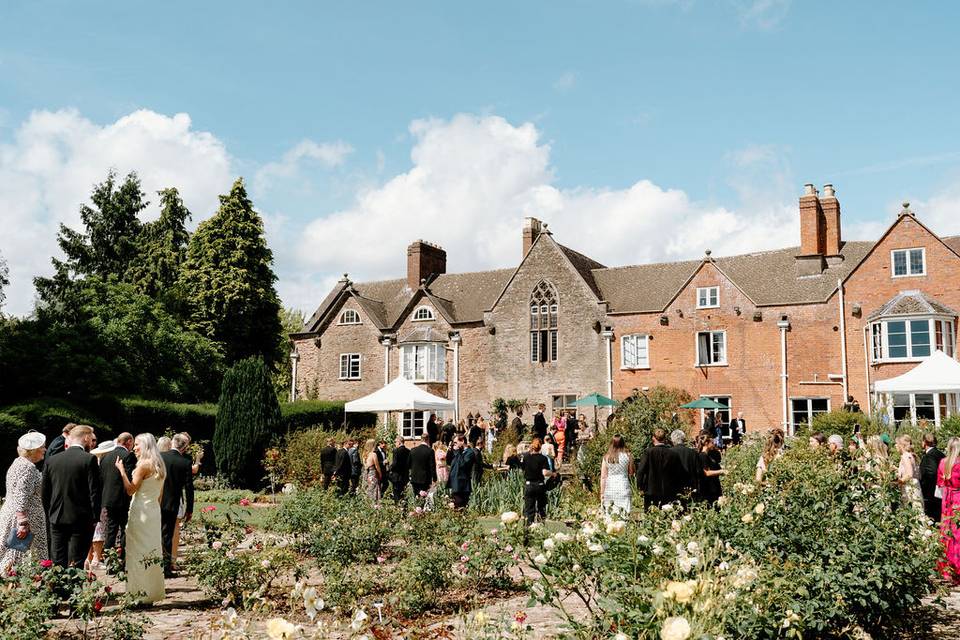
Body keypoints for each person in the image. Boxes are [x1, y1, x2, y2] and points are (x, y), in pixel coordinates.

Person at [115, 434, 165, 604]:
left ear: (144, 446)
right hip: (153, 511)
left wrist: (122, 471)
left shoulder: (143, 465)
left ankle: (138, 595)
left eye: (137, 445)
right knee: (152, 550)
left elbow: (130, 490)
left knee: (137, 551)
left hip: (140, 511)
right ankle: (152, 592)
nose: (134, 448)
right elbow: (160, 495)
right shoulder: (160, 465)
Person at [41, 424, 100, 569]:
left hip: (57, 516)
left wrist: (50, 512)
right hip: (81, 517)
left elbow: (45, 492)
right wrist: (95, 517)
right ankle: (75, 590)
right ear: (86, 438)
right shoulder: (89, 459)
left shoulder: (52, 460)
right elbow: (94, 492)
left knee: (58, 560)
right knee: (78, 560)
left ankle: (59, 590)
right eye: (91, 438)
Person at [0, 432, 47, 572]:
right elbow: (21, 494)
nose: (45, 449)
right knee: (15, 553)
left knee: (11, 552)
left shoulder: (18, 462)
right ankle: (10, 586)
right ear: (33, 451)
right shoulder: (28, 467)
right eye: (42, 447)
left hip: (12, 513)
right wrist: (22, 523)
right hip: (24, 519)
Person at [159, 433, 194, 577]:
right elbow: (189, 488)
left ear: (172, 442)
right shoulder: (185, 462)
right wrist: (189, 509)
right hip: (172, 502)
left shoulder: (160, 457)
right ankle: (166, 568)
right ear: (185, 447)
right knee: (167, 535)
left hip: (156, 500)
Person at [100, 433, 136, 566]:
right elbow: (129, 478)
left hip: (108, 499)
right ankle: (125, 560)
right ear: (128, 442)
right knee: (125, 528)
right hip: (123, 499)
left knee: (111, 530)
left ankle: (109, 562)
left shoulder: (105, 457)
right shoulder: (128, 456)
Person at [86, 439, 117, 570]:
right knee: (99, 529)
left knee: (91, 530)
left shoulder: (93, 462)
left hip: (89, 501)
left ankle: (89, 558)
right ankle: (96, 559)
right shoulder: (102, 465)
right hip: (99, 501)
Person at [636, 428, 683, 509]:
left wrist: (640, 487)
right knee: (667, 515)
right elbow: (678, 472)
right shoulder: (673, 454)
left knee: (651, 515)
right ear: (665, 439)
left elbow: (641, 471)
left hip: (651, 490)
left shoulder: (648, 452)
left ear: (653, 438)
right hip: (668, 490)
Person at [936, 437, 960, 583]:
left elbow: (940, 483)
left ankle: (947, 569)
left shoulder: (943, 462)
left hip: (947, 498)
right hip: (958, 497)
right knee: (958, 532)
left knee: (947, 532)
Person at [522, 439, 556, 524]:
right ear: (540, 447)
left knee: (529, 509)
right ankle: (541, 526)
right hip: (539, 485)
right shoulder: (543, 458)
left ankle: (528, 527)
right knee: (541, 508)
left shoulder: (526, 457)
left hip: (529, 484)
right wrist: (553, 474)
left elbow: (522, 468)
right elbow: (545, 472)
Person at [600, 435, 633, 515]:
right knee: (624, 513)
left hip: (610, 486)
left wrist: (602, 493)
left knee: (610, 513)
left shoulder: (606, 457)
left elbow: (603, 477)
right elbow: (631, 473)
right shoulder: (628, 456)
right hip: (623, 484)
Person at [669, 429, 702, 505]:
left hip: (674, 486)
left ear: (672, 440)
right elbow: (699, 471)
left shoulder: (669, 452)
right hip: (690, 486)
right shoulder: (693, 453)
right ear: (683, 439)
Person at [920, 433, 946, 523]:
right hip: (939, 490)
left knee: (933, 516)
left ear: (924, 442)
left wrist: (923, 485)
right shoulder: (940, 453)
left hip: (931, 492)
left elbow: (931, 473)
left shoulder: (930, 455)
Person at [895, 434, 923, 512]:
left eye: (897, 444)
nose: (895, 446)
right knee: (917, 509)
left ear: (901, 445)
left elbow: (909, 474)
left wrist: (898, 482)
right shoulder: (910, 455)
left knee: (912, 510)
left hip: (909, 487)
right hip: (914, 485)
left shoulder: (905, 456)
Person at [447, 435, 476, 510]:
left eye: (456, 442)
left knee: (460, 507)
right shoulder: (459, 452)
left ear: (462, 441)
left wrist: (457, 451)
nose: (455, 444)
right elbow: (449, 462)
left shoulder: (470, 452)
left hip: (462, 484)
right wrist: (450, 451)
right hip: (455, 483)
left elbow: (463, 465)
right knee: (455, 507)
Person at [697, 434, 726, 506]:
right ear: (706, 443)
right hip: (709, 488)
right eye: (712, 442)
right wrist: (722, 471)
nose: (714, 444)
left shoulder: (708, 455)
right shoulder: (702, 456)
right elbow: (707, 472)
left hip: (714, 485)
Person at [389, 436, 411, 504]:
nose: (395, 443)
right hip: (405, 475)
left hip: (397, 475)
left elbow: (395, 463)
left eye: (395, 442)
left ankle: (397, 507)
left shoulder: (396, 451)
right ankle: (403, 507)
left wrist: (390, 468)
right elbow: (409, 463)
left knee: (396, 492)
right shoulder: (408, 451)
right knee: (403, 492)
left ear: (399, 442)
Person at [362, 439, 382, 504]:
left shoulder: (364, 454)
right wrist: (380, 473)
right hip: (372, 473)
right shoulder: (373, 454)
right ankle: (374, 505)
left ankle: (367, 504)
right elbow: (377, 466)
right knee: (374, 489)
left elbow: (365, 465)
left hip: (366, 474)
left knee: (367, 489)